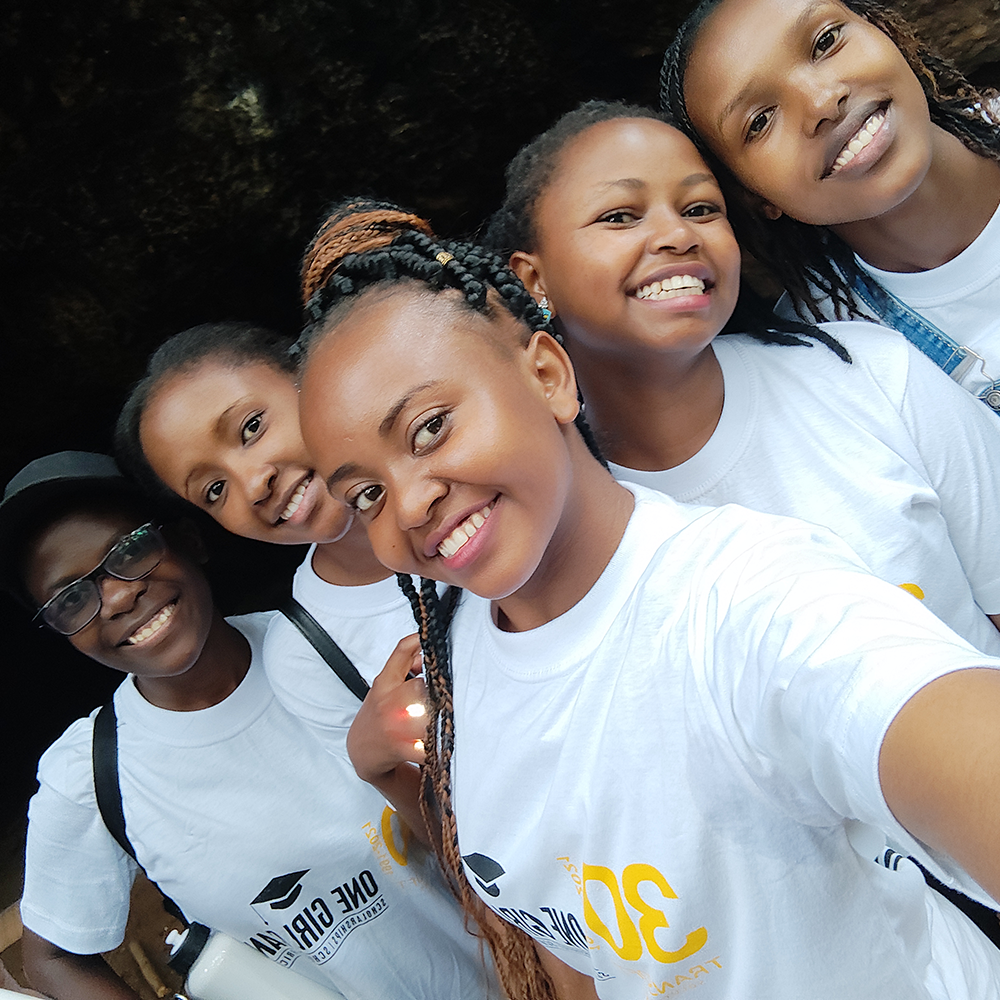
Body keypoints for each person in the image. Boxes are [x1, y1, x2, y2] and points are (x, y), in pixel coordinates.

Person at [291, 202, 1000, 999]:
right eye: (365, 496)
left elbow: (915, 714)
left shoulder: (742, 597)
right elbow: (572, 941)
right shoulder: (457, 673)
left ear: (548, 376)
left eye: (428, 429)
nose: (409, 502)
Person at [482, 100, 1000, 666]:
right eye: (621, 216)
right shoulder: (542, 522)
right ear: (532, 279)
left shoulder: (871, 373)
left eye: (702, 207)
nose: (678, 234)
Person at [4, 451, 497, 1000]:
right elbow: (51, 955)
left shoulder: (327, 641)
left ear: (188, 540)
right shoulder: (93, 773)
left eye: (131, 551)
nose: (119, 595)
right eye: (72, 599)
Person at [659, 0, 1000, 409]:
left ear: (886, 33)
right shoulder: (819, 366)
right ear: (752, 195)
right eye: (761, 121)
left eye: (826, 41)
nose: (822, 102)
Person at [114, 320, 430, 750]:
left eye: (251, 428)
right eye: (214, 490)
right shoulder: (307, 656)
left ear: (307, 371)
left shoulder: (481, 473)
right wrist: (374, 764)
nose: (252, 485)